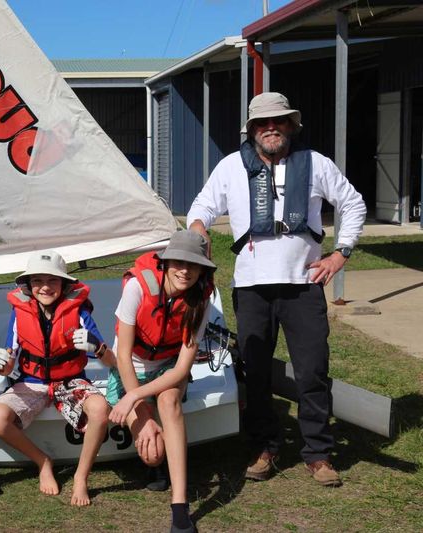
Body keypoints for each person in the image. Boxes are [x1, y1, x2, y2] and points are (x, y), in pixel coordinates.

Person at [187, 92, 366, 487]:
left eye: (278, 121)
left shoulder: (316, 163)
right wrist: (199, 229)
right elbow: (201, 207)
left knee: (312, 370)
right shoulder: (231, 166)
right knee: (256, 371)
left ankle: (318, 453)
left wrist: (340, 254)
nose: (271, 128)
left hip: (303, 285)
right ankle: (263, 446)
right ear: (251, 130)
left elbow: (353, 203)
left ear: (291, 125)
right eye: (262, 123)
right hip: (252, 287)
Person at [107, 230, 215, 533]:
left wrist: (133, 399)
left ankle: (180, 506)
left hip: (168, 367)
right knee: (152, 454)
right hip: (132, 367)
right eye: (179, 262)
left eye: (194, 265)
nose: (185, 271)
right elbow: (123, 356)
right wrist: (140, 407)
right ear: (165, 263)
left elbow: (180, 370)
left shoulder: (201, 300)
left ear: (202, 271)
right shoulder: (137, 288)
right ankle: (157, 467)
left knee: (169, 401)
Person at [0, 251, 114, 507]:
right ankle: (43, 461)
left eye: (52, 280)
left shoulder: (79, 312)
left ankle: (80, 477)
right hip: (31, 382)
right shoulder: (20, 312)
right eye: (38, 280)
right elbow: (9, 363)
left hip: (70, 381)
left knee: (100, 409)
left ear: (64, 284)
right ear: (28, 284)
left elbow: (110, 360)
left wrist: (97, 347)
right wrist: (1, 364)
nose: (45, 287)